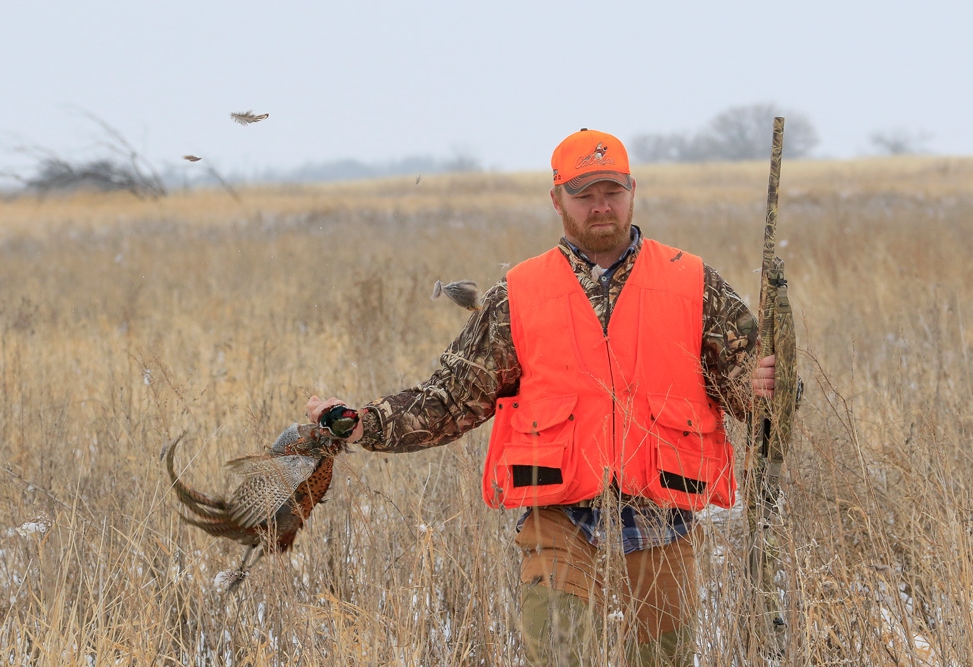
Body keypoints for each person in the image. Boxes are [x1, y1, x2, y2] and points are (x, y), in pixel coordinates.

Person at [308, 128, 775, 666]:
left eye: (612, 190)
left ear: (632, 190)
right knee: (558, 653)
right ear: (557, 200)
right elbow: (453, 397)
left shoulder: (693, 280)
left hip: (663, 522)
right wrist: (363, 422)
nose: (601, 206)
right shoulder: (520, 292)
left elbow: (746, 388)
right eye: (584, 194)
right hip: (560, 520)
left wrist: (764, 389)